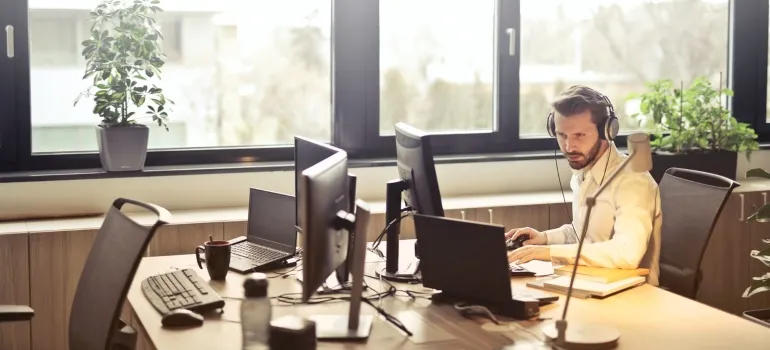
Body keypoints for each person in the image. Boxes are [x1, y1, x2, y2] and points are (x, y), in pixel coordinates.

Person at [506, 85, 662, 286]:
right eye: (562, 135)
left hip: (632, 296)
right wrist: (544, 238)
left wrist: (549, 252)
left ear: (607, 131)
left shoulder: (633, 181)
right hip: (590, 283)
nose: (569, 147)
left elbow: (627, 253)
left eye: (579, 135)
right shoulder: (583, 174)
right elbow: (583, 235)